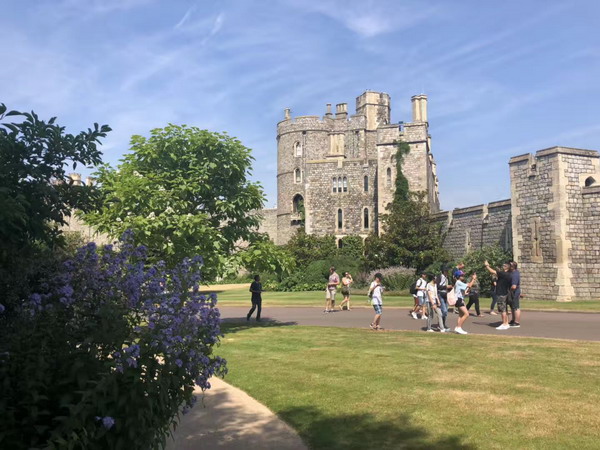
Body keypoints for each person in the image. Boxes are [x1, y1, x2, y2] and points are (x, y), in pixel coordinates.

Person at [483, 260, 513, 330]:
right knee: (505, 309)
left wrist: (487, 265)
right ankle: (506, 323)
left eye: (504, 266)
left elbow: (492, 271)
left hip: (501, 293)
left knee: (502, 310)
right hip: (505, 293)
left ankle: (504, 324)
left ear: (507, 267)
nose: (503, 266)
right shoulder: (509, 274)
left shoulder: (503, 274)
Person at [436, 267, 451, 331]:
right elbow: (437, 286)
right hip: (440, 294)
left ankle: (442, 324)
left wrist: (450, 287)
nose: (447, 272)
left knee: (446, 311)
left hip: (445, 294)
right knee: (444, 311)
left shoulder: (447, 278)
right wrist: (446, 286)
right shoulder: (440, 277)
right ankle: (440, 325)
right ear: (444, 271)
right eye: (446, 271)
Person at [509, 261, 521, 327]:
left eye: (510, 265)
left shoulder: (515, 274)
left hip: (514, 292)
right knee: (513, 307)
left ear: (513, 267)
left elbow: (514, 286)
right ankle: (513, 320)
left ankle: (517, 322)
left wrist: (508, 289)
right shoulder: (513, 272)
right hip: (513, 292)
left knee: (516, 307)